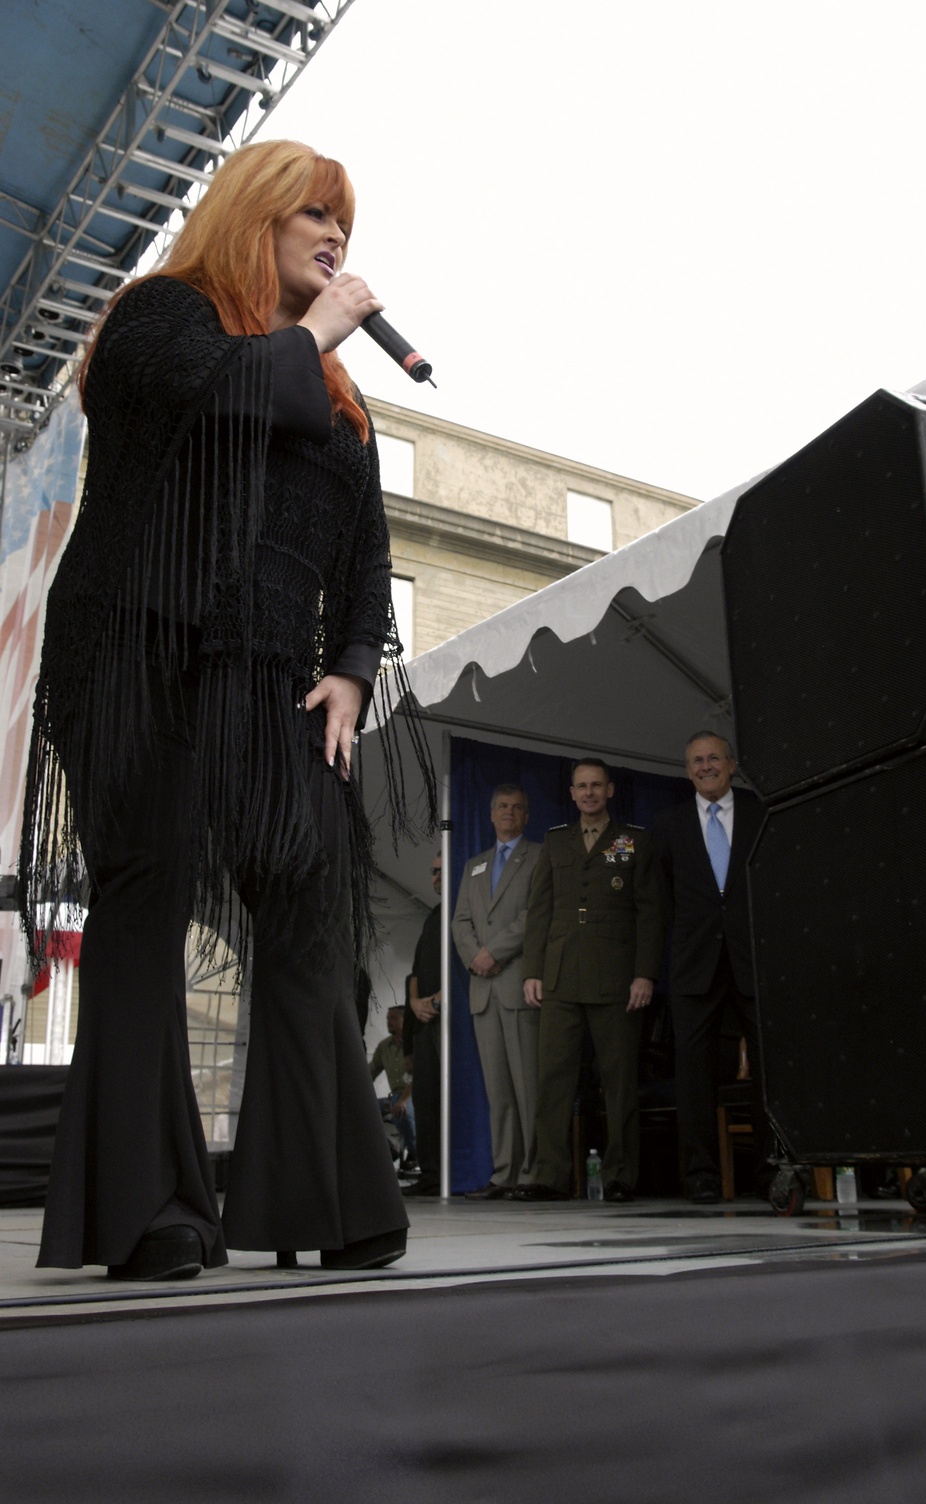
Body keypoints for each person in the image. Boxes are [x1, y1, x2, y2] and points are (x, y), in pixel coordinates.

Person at [18, 139, 421, 1280]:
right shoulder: (163, 318)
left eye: (346, 219)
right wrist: (314, 334)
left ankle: (325, 1193)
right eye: (315, 214)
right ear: (256, 216)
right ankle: (147, 1209)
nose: (337, 235)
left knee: (305, 909)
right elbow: (208, 406)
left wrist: (350, 660)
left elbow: (365, 536)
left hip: (273, 686)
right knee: (144, 909)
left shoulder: (335, 392)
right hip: (144, 655)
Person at [519, 759, 665, 1203]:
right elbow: (540, 910)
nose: (588, 793)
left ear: (610, 790)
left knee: (619, 1082)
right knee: (552, 1080)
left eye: (596, 786)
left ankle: (621, 1176)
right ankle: (549, 1176)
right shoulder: (555, 841)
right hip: (560, 976)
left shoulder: (629, 840)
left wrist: (645, 973)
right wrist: (532, 971)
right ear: (571, 793)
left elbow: (650, 912)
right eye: (581, 786)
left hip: (615, 977)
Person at [653, 731, 768, 1203]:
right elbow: (659, 898)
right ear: (687, 771)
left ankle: (772, 1170)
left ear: (732, 764)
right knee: (694, 1073)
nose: (705, 767)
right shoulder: (668, 822)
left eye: (713, 759)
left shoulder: (762, 813)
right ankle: (701, 1175)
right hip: (693, 964)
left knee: (768, 1067)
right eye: (696, 761)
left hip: (753, 959)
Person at [452, 784, 541, 1199]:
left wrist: (494, 952)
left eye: (517, 808)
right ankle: (504, 1173)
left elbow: (534, 916)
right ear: (490, 815)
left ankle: (533, 1172)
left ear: (526, 816)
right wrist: (476, 956)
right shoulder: (474, 865)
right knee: (498, 1091)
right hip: (483, 989)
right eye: (502, 807)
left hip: (519, 983)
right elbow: (460, 922)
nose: (509, 813)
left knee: (528, 1086)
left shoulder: (539, 857)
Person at [403, 855, 443, 1197]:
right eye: (433, 871)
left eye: (444, 870)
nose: (437, 877)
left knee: (447, 1099)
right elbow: (414, 972)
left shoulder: (462, 914)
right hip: (424, 1022)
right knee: (426, 1101)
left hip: (449, 1020)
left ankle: (449, 1172)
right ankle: (430, 1174)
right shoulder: (432, 918)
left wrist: (438, 1001)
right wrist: (416, 1003)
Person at [369, 1005, 417, 1167]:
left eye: (393, 1018)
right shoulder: (384, 1047)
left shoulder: (415, 1042)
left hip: (413, 1095)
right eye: (388, 1019)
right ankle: (390, 1148)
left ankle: (415, 1153)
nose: (389, 1022)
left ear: (405, 1020)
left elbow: (416, 1077)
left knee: (403, 1111)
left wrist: (403, 1100)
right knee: (359, 1110)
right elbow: (370, 1072)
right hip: (394, 1097)